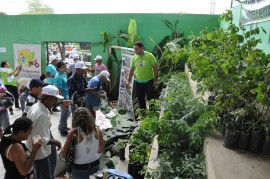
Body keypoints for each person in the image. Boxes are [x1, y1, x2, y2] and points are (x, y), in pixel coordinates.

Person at [26, 85, 63, 179]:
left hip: (37, 150)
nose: (55, 102)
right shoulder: (41, 114)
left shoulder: (36, 106)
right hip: (39, 153)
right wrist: (54, 141)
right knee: (44, 175)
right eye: (54, 100)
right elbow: (38, 138)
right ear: (48, 99)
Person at [60, 107, 105, 179]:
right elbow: (101, 150)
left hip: (79, 169)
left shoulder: (74, 132)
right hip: (95, 166)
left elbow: (63, 154)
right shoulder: (97, 130)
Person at [126, 41, 159, 109]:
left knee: (151, 99)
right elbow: (131, 70)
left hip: (149, 82)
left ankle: (152, 115)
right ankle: (143, 116)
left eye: (136, 49)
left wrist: (155, 80)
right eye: (134, 49)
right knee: (141, 100)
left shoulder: (149, 56)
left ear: (142, 48)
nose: (135, 51)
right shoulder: (134, 58)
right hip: (138, 82)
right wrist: (128, 81)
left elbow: (155, 68)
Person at [54, 61, 71, 136]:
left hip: (66, 95)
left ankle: (62, 125)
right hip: (63, 97)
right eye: (63, 67)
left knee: (67, 112)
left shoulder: (63, 74)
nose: (65, 68)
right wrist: (63, 100)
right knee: (65, 113)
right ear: (58, 68)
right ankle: (62, 130)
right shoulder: (58, 76)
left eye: (65, 66)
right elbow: (58, 89)